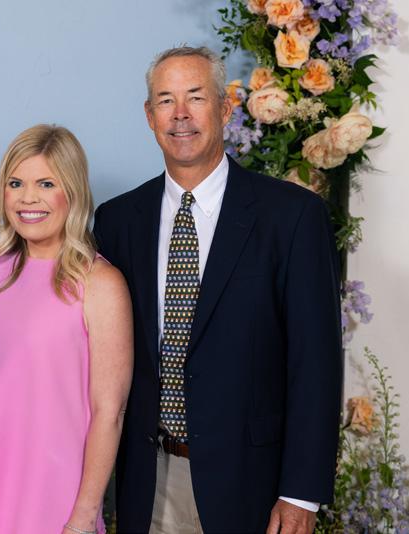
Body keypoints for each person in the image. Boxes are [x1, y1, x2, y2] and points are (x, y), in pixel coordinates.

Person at [93, 47, 342, 534]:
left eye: (195, 97)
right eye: (165, 100)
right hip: (147, 478)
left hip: (252, 484)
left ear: (226, 108)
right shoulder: (118, 221)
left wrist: (300, 494)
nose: (180, 114)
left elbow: (315, 363)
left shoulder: (291, 216)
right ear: (149, 115)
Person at [0, 124, 133, 534]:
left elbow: (109, 412)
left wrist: (84, 515)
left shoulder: (100, 284)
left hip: (52, 498)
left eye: (46, 183)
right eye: (16, 183)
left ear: (73, 192)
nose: (28, 198)